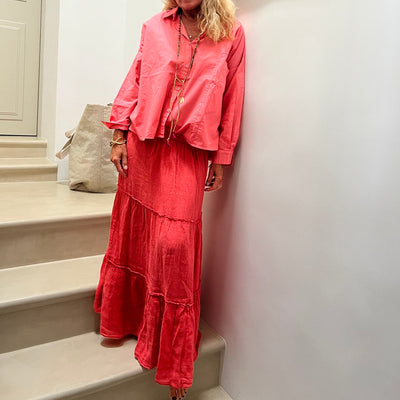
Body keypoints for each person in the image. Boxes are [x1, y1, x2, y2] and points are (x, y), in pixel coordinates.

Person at [93, 1, 245, 399]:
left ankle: (172, 357)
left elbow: (233, 99)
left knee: (174, 245)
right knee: (136, 238)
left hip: (189, 152)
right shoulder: (154, 26)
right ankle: (127, 321)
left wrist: (222, 157)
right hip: (144, 146)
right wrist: (118, 136)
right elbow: (135, 79)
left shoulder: (232, 34)